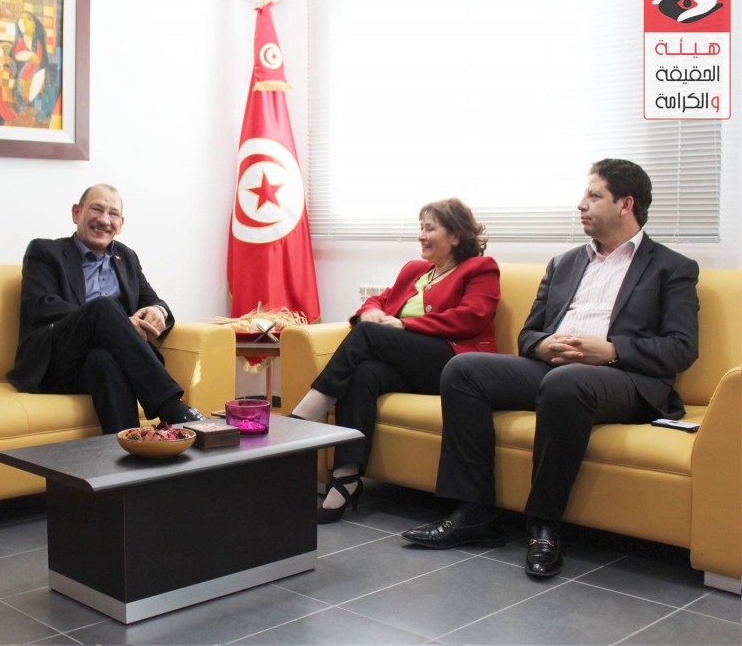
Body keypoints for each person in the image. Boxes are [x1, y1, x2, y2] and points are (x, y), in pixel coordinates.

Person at [402, 159, 700, 578]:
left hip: (625, 379)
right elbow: (529, 334)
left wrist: (611, 350)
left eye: (594, 196)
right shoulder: (564, 263)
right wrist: (543, 344)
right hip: (556, 369)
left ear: (626, 205)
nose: (581, 204)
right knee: (463, 369)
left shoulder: (671, 267)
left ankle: (543, 524)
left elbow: (682, 348)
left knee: (566, 382)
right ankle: (475, 513)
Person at [288, 199, 500, 523]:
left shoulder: (480, 269)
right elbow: (380, 299)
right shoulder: (416, 271)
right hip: (414, 365)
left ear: (456, 235)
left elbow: (472, 317)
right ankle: (346, 477)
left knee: (367, 335)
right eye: (421, 228)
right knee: (364, 373)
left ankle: (301, 420)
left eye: (430, 229)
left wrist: (405, 324)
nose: (421, 235)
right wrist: (370, 312)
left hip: (455, 364)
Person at [8, 183, 207, 433]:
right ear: (76, 213)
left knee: (104, 360)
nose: (104, 220)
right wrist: (113, 320)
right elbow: (41, 306)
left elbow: (152, 299)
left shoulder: (127, 257)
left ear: (120, 224)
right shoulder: (46, 251)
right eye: (97, 209)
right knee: (103, 307)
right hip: (55, 362)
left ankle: (128, 449)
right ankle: (169, 404)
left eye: (113, 214)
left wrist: (158, 311)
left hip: (97, 364)